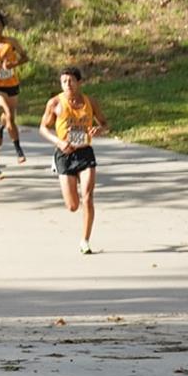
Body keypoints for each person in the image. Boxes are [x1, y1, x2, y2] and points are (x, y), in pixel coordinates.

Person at [38, 66, 109, 254]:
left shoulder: (90, 102)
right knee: (73, 205)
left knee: (87, 197)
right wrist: (58, 142)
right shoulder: (54, 103)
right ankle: (63, 176)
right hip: (64, 154)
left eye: (71, 81)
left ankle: (85, 240)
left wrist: (98, 130)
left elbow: (104, 123)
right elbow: (43, 128)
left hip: (85, 152)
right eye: (64, 81)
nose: (67, 85)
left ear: (79, 83)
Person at [0, 9, 31, 169]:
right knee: (8, 114)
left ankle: (1, 127)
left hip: (12, 83)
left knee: (9, 118)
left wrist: (14, 64)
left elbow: (25, 57)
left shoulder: (11, 42)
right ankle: (19, 150)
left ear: (3, 27)